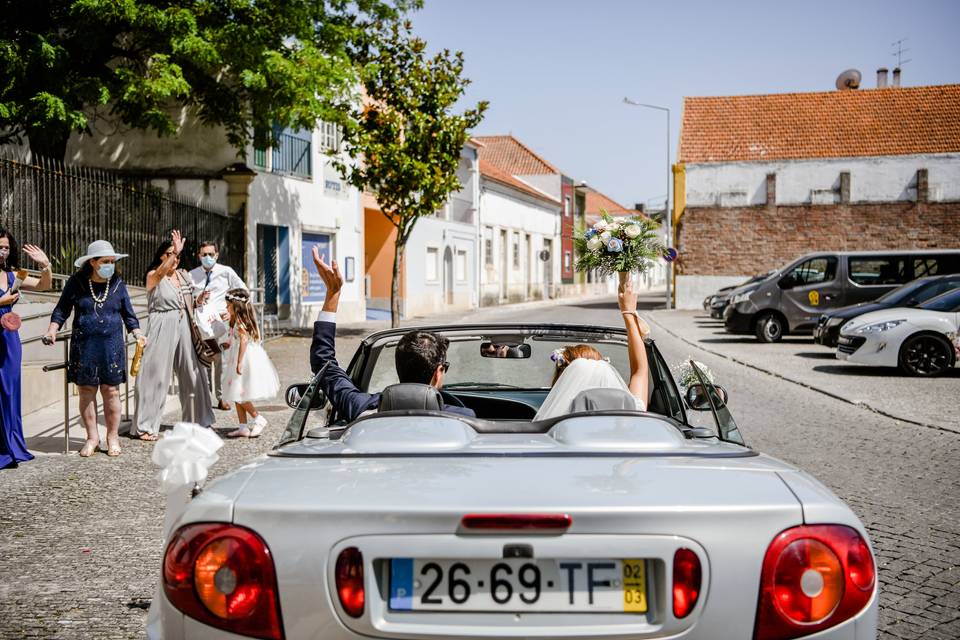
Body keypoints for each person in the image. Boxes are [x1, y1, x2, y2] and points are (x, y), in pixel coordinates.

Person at [309, 247, 476, 423]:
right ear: (438, 373)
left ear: (398, 366)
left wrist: (333, 293)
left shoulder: (362, 409)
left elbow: (322, 361)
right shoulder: (463, 419)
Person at [43, 240, 144, 457]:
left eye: (112, 261)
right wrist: (52, 329)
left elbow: (128, 314)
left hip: (111, 346)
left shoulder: (117, 283)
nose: (110, 265)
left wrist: (137, 333)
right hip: (85, 345)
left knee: (112, 391)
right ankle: (92, 437)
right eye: (105, 261)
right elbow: (62, 310)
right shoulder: (76, 282)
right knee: (86, 391)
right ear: (92, 262)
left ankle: (112, 436)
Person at [132, 231, 216, 441]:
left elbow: (188, 301)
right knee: (155, 376)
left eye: (177, 256)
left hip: (184, 323)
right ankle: (145, 425)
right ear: (161, 256)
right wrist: (174, 253)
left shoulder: (183, 275)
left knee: (193, 372)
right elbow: (160, 274)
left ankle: (200, 420)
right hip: (161, 324)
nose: (175, 259)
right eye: (170, 254)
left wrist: (199, 300)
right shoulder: (153, 275)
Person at [533, 278, 651, 421]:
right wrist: (628, 311)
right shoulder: (631, 413)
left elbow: (640, 371)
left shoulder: (551, 423)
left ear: (563, 378)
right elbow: (640, 371)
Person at [0, 228, 53, 469]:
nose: (3, 251)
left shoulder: (13, 274)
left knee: (10, 391)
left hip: (8, 338)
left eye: (6, 248)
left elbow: (44, 286)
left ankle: (11, 445)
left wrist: (45, 265)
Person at [188, 240, 248, 411]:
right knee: (205, 360)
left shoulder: (226, 272)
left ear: (217, 255)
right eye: (204, 254)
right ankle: (206, 397)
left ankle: (222, 398)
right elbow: (185, 299)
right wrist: (196, 300)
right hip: (201, 325)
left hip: (220, 324)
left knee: (222, 360)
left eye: (210, 254)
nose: (207, 257)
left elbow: (243, 292)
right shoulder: (192, 275)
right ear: (199, 256)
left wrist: (232, 312)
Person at [220, 288, 279, 437]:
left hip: (244, 358)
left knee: (240, 393)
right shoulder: (237, 319)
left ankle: (258, 418)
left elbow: (244, 340)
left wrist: (239, 362)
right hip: (238, 354)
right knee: (236, 392)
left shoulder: (240, 320)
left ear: (236, 306)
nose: (226, 307)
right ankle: (243, 427)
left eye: (228, 305)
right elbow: (237, 338)